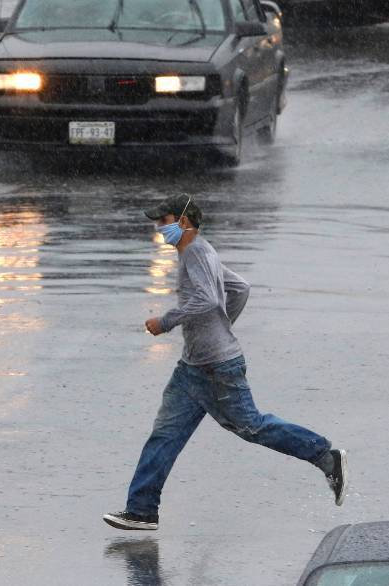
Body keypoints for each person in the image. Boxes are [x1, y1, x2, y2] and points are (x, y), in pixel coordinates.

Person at [103, 193, 347, 531]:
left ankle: (324, 455)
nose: (160, 228)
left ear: (184, 221)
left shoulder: (196, 253)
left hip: (217, 368)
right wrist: (221, 324)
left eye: (164, 220)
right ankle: (142, 510)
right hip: (193, 368)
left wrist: (167, 321)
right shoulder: (200, 252)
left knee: (252, 426)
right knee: (165, 435)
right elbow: (240, 288)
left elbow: (206, 298)